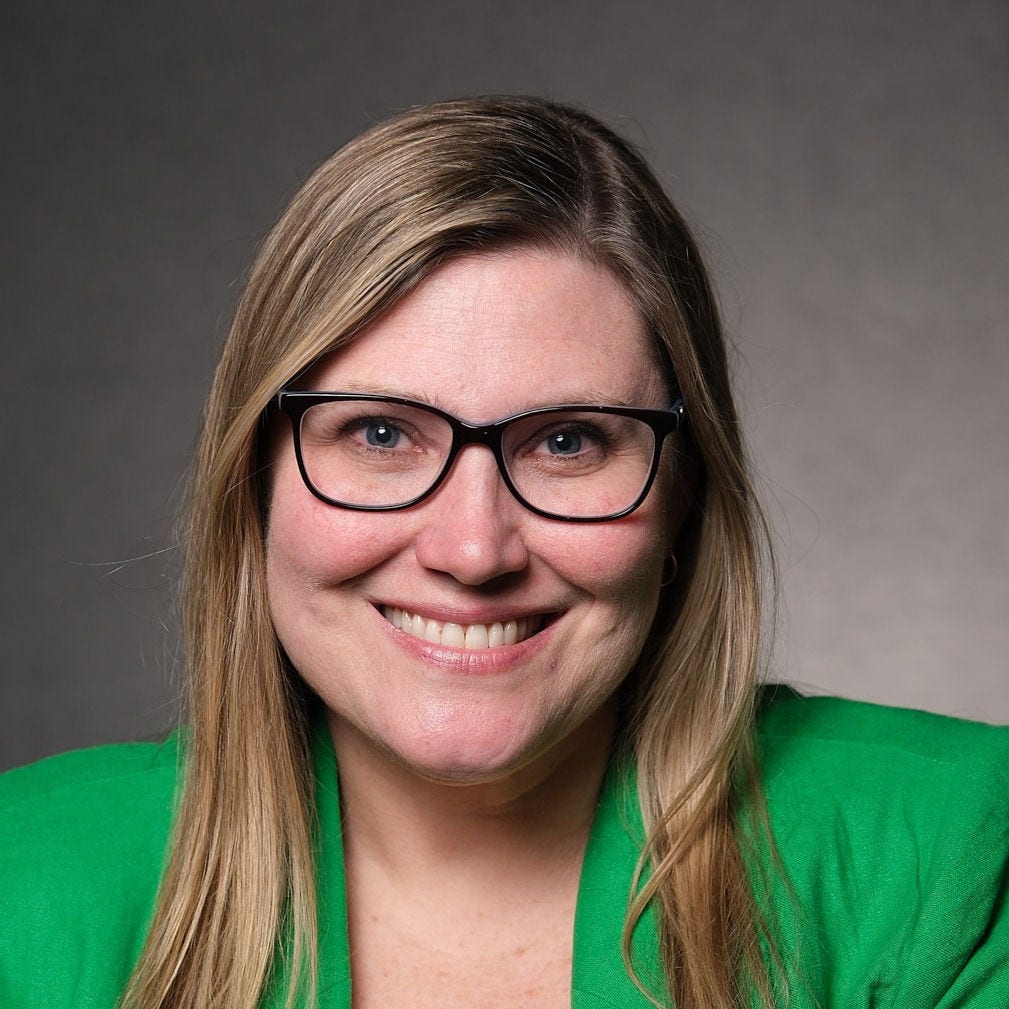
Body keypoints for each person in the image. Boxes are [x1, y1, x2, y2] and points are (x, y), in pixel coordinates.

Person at [1, 95, 1006, 1009]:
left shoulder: (948, 850)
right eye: (381, 434)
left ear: (681, 496)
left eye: (568, 441)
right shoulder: (25, 881)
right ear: (253, 482)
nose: (473, 549)